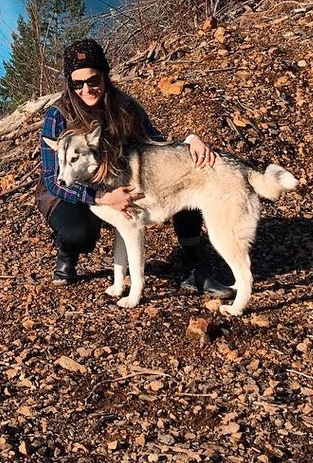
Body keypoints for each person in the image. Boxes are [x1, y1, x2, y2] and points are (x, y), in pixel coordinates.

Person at [37, 38, 233, 297]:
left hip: (114, 181)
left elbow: (157, 142)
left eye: (93, 80)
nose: (87, 89)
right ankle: (67, 251)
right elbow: (52, 180)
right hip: (69, 187)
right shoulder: (58, 116)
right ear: (70, 85)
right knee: (78, 231)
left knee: (187, 175)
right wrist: (102, 198)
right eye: (78, 84)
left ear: (105, 76)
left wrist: (189, 142)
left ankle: (195, 266)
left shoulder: (124, 106)